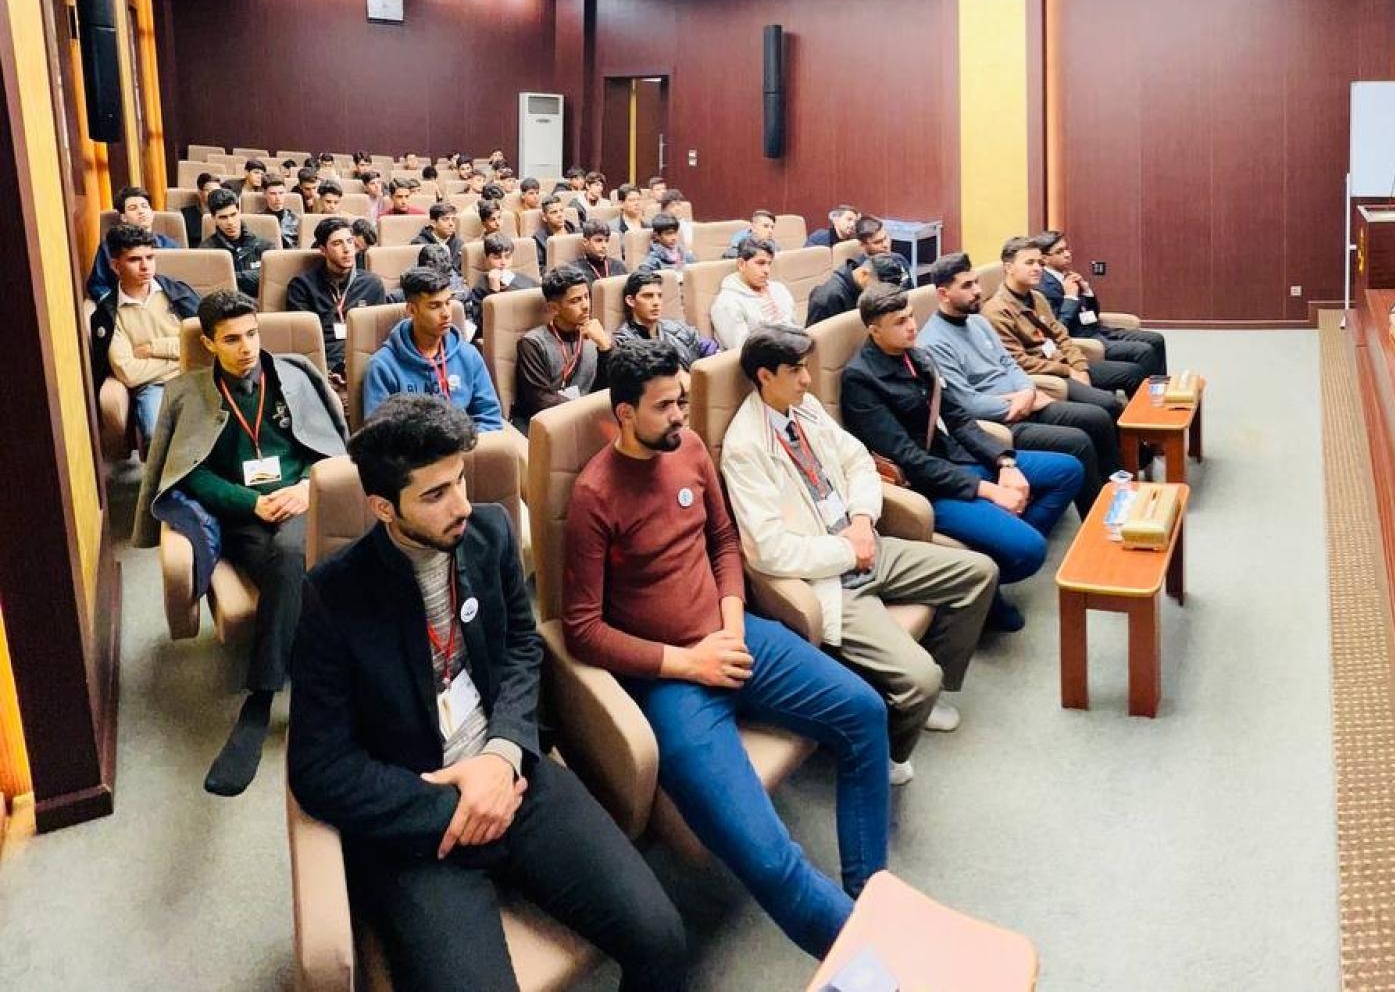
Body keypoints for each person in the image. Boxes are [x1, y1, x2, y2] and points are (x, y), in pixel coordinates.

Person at [288, 394, 688, 988]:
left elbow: (523, 648)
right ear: (382, 507)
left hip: (513, 772)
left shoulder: (490, 532)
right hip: (420, 818)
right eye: (434, 494)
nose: (461, 504)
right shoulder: (333, 596)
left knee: (663, 941)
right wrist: (454, 805)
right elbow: (320, 767)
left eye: (460, 480)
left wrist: (502, 756)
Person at [563, 342, 887, 958]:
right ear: (625, 413)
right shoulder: (594, 494)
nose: (681, 416)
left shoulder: (688, 450)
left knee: (865, 714)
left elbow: (723, 542)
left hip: (736, 636)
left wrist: (733, 623)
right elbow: (582, 629)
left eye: (682, 401)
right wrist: (691, 662)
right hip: (671, 678)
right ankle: (878, 962)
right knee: (768, 857)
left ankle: (869, 896)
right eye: (665, 406)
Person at [724, 326, 997, 781]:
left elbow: (858, 462)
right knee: (919, 679)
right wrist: (847, 552)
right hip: (827, 576)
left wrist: (864, 520)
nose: (808, 379)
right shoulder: (745, 447)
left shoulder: (803, 407)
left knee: (979, 573)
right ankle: (890, 753)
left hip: (862, 539)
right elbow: (769, 552)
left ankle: (929, 694)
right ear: (765, 376)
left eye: (807, 367)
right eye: (796, 371)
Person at [140, 289, 348, 794]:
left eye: (252, 334)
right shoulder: (185, 393)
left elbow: (330, 448)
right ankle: (318, 686)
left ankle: (260, 699)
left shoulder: (294, 374)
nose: (247, 347)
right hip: (243, 517)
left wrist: (305, 488)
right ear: (209, 343)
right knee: (287, 566)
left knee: (292, 551)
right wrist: (250, 502)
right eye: (232, 339)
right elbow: (188, 474)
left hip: (302, 504)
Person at [840, 285, 1083, 631]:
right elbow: (909, 459)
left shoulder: (917, 356)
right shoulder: (860, 379)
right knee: (1031, 550)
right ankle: (987, 581)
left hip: (957, 458)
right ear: (874, 331)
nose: (912, 326)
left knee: (1068, 471)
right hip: (926, 485)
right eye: (899, 322)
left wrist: (1004, 463)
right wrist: (990, 490)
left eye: (911, 316)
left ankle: (995, 552)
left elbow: (958, 419)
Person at [918, 252, 1110, 507]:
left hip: (1025, 401)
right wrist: (1019, 402)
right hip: (1001, 420)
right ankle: (1100, 517)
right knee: (1078, 442)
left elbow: (1010, 363)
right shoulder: (933, 343)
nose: (977, 291)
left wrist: (1027, 392)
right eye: (967, 286)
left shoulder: (978, 322)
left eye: (976, 282)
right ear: (943, 294)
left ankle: (1117, 490)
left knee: (1097, 417)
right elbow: (966, 403)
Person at [985, 236, 1147, 414]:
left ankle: (1145, 426)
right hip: (1045, 374)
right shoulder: (997, 310)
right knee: (1108, 403)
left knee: (1134, 373)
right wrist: (1067, 370)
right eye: (1029, 263)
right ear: (1009, 268)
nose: (1037, 268)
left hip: (1062, 361)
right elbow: (1019, 361)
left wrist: (1079, 365)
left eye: (1040, 263)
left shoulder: (1037, 297)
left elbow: (1061, 334)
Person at [361, 266, 503, 432]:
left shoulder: (468, 355)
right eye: (435, 306)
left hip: (466, 445)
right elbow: (379, 435)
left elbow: (490, 418)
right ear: (412, 310)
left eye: (448, 303)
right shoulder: (383, 367)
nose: (446, 313)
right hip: (412, 448)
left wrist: (462, 444)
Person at [89, 225, 199, 440]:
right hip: (153, 387)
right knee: (157, 434)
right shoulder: (107, 315)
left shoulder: (178, 293)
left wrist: (153, 349)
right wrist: (182, 354)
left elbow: (202, 343)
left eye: (150, 257)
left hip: (196, 376)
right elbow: (129, 373)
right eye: (134, 260)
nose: (145, 266)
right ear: (116, 266)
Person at [1032, 230, 1168, 378]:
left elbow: (1093, 314)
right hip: (1083, 338)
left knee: (1156, 339)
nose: (1067, 254)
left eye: (1066, 249)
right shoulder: (1041, 287)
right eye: (1060, 252)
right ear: (1044, 258)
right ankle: (1147, 391)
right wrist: (1070, 298)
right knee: (1144, 350)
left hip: (1097, 330)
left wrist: (1087, 291)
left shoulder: (1067, 275)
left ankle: (1161, 386)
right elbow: (1058, 327)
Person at [285, 217, 390, 378]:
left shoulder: (371, 284)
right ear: (323, 250)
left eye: (350, 241)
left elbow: (379, 337)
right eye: (337, 243)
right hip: (321, 368)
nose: (347, 249)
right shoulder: (302, 286)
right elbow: (304, 344)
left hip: (365, 365)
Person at [513, 265, 613, 429]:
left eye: (586, 296)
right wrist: (588, 411)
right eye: (575, 300)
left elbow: (610, 388)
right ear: (554, 308)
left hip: (593, 419)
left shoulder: (600, 336)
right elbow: (541, 400)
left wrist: (605, 348)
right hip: (553, 423)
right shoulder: (532, 343)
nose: (586, 305)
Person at [87, 184, 183, 298]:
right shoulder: (108, 247)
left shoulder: (171, 245)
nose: (141, 211)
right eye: (133, 208)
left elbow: (183, 281)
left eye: (144, 206)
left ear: (152, 213)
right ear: (123, 217)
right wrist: (113, 303)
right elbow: (97, 285)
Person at [710, 237, 798, 350]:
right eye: (760, 263)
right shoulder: (726, 303)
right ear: (741, 264)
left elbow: (795, 327)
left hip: (793, 349)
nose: (767, 270)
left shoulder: (779, 289)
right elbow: (743, 351)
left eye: (769, 264)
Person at [614, 268, 714, 368]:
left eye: (659, 296)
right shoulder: (624, 342)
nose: (656, 302)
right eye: (648, 296)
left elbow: (709, 349)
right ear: (631, 301)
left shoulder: (679, 328)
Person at [203, 187, 273, 299]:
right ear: (213, 218)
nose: (230, 222)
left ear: (239, 212)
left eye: (233, 215)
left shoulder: (264, 245)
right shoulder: (206, 251)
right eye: (223, 217)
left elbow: (271, 279)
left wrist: (232, 276)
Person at [805, 250, 905, 327]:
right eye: (879, 290)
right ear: (864, 274)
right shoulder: (826, 300)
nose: (881, 296)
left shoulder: (862, 284)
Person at [464, 233, 536, 339]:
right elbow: (481, 326)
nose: (503, 262)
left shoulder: (524, 280)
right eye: (496, 258)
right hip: (499, 337)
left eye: (507, 257)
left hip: (528, 332)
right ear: (486, 259)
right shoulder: (480, 287)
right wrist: (494, 291)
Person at [570, 218, 628, 282]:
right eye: (598, 241)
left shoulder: (618, 266)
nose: (604, 246)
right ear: (585, 242)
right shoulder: (574, 270)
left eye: (606, 241)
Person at [257, 178, 301, 249]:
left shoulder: (296, 219)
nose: (278, 198)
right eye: (273, 194)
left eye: (281, 193)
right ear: (265, 193)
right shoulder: (257, 220)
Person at [531, 195, 574, 265]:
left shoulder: (577, 232)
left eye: (561, 210)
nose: (560, 215)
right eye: (554, 212)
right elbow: (540, 267)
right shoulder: (539, 239)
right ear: (544, 217)